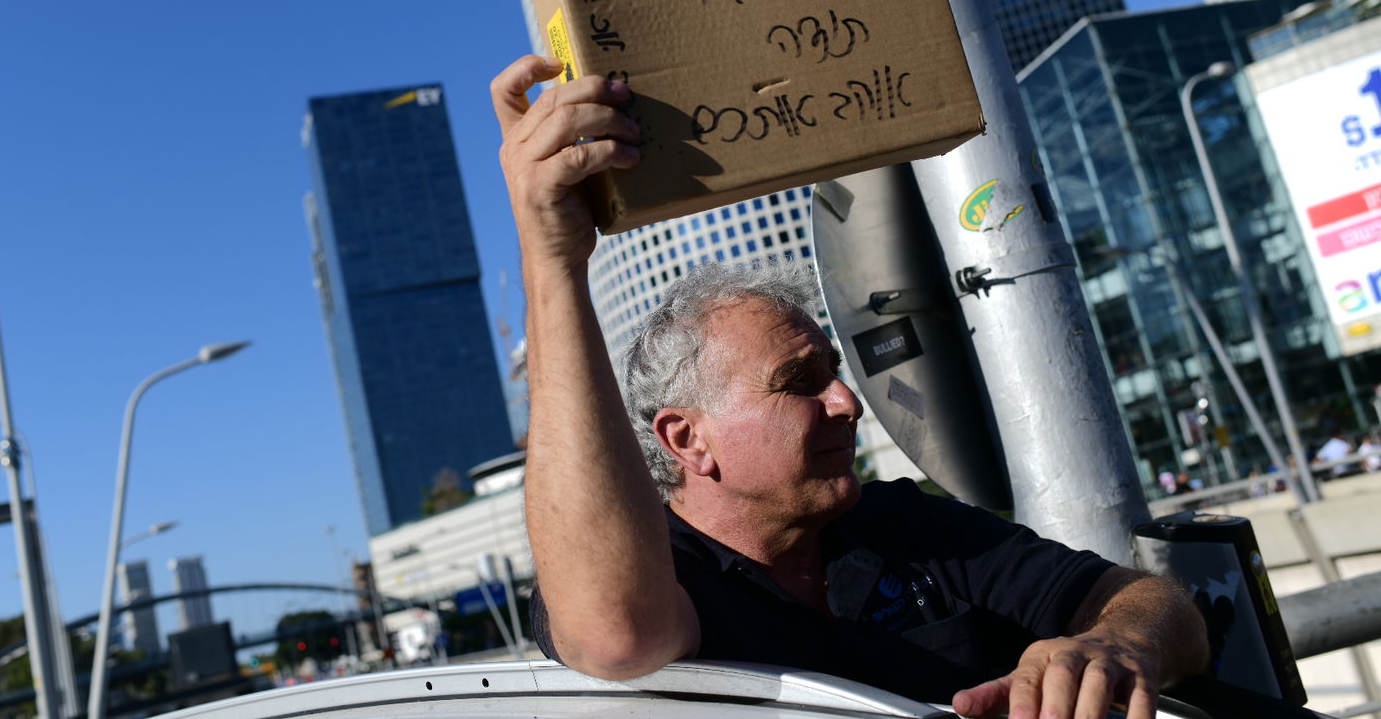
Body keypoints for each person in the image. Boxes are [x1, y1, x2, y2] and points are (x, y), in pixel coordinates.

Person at [492, 56, 1208, 718]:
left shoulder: (909, 528)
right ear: (688, 438)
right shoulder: (662, 574)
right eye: (799, 381)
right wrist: (551, 258)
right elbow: (618, 634)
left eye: (834, 370)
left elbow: (1156, 600)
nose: (848, 401)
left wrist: (1121, 644)